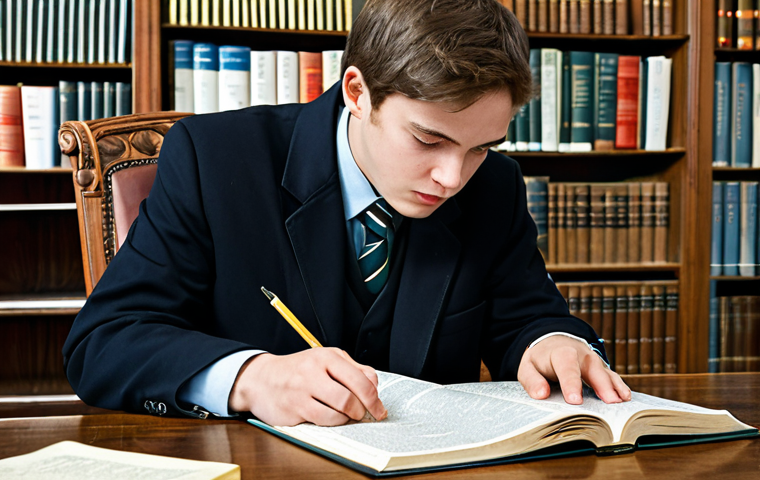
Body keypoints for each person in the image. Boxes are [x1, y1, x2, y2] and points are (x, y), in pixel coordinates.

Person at [63, 0, 630, 427]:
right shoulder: (215, 158)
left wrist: (553, 343)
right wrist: (250, 378)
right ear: (358, 92)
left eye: (481, 146)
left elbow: (528, 317)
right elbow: (104, 342)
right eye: (428, 139)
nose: (454, 178)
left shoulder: (495, 185)